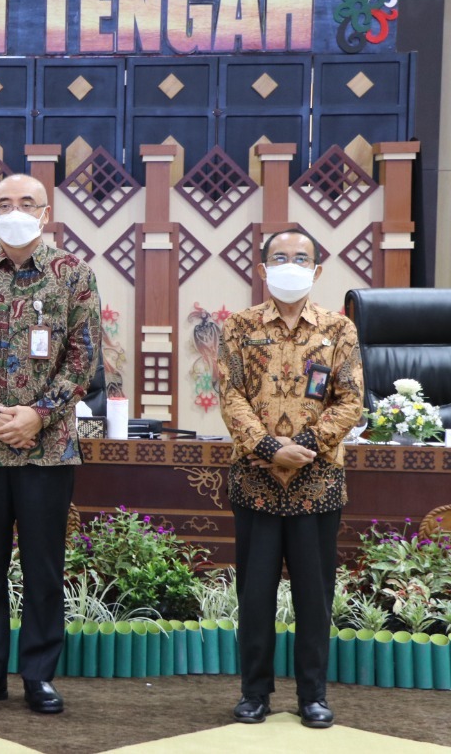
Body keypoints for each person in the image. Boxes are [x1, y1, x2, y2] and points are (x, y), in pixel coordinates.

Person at [0, 174, 101, 713]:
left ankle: (38, 675)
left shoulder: (73, 275)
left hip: (48, 448)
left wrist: (35, 414)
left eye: (25, 202)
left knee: (43, 565)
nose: (15, 210)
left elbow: (83, 360)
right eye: (4, 202)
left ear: (46, 211)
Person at [218, 228, 363, 729]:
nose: (290, 264)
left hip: (317, 482)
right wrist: (267, 446)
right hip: (256, 481)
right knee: (254, 596)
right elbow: (231, 395)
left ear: (318, 270)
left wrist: (308, 445)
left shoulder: (339, 329)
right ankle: (254, 693)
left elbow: (350, 400)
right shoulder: (238, 327)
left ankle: (313, 696)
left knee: (314, 596)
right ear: (261, 269)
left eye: (301, 258)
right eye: (279, 257)